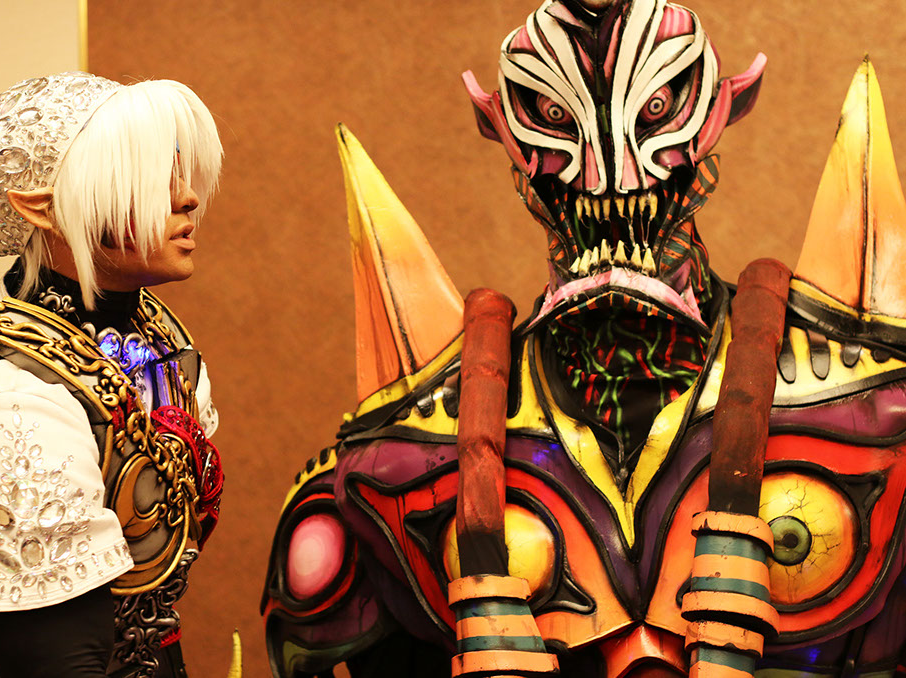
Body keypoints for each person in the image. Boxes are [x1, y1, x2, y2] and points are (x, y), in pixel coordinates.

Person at [263, 1, 906, 676]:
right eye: (555, 118)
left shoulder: (860, 397)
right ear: (506, 133)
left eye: (655, 111)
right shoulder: (412, 445)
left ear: (716, 115)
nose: (607, 176)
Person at [0, 73, 224, 678]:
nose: (187, 197)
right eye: (147, 179)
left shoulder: (164, 350)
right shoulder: (6, 405)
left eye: (180, 172)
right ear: (44, 209)